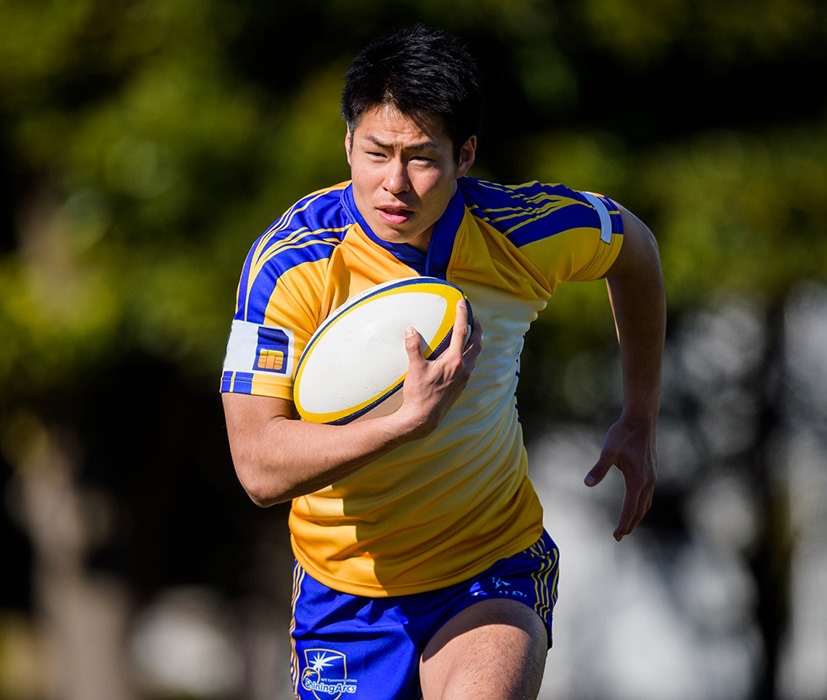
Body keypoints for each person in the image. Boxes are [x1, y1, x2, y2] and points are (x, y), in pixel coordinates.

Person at [220, 24, 664, 700]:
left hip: (489, 564)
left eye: (422, 157)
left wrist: (640, 413)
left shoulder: (522, 231)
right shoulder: (289, 264)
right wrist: (403, 424)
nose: (394, 183)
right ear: (346, 143)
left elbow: (636, 252)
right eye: (375, 153)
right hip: (346, 591)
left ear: (467, 155)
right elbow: (256, 464)